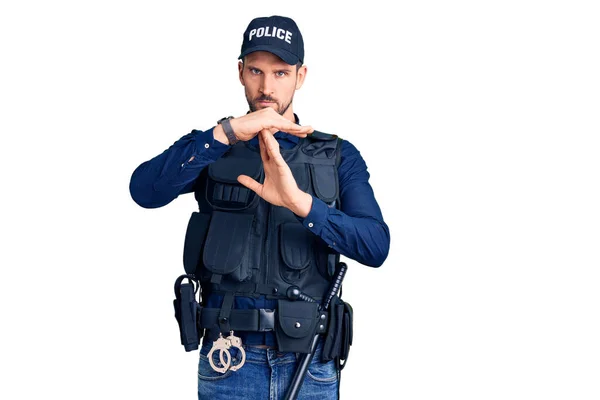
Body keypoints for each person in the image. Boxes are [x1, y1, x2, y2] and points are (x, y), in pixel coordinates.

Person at [129, 15, 390, 400]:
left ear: (301, 76)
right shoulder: (210, 148)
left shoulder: (336, 155)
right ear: (240, 72)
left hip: (310, 363)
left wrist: (302, 204)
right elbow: (144, 190)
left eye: (281, 73)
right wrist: (226, 133)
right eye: (256, 70)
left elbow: (375, 246)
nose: (267, 87)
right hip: (228, 359)